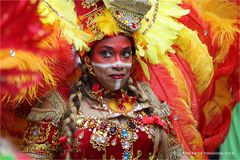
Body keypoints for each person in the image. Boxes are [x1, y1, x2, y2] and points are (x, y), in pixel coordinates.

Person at [1, 0, 239, 160]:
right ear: (88, 59)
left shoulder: (152, 104)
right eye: (107, 54)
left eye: (126, 54)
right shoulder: (56, 105)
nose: (118, 63)